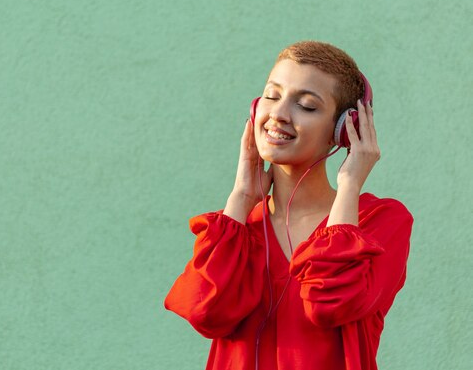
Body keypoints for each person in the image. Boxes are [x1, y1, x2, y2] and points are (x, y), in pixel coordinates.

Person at [164, 41, 413, 370]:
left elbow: (331, 304)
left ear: (343, 131)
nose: (279, 114)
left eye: (307, 106)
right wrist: (240, 196)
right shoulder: (235, 231)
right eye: (271, 95)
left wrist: (349, 185)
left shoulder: (378, 223)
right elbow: (205, 313)